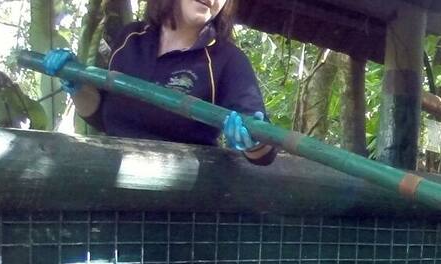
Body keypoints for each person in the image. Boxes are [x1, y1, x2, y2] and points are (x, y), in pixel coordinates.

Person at [44, 0, 276, 165]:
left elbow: (264, 152)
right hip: (109, 193)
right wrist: (76, 83)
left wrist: (253, 141)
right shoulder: (129, 38)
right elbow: (101, 116)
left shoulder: (227, 59)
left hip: (179, 212)